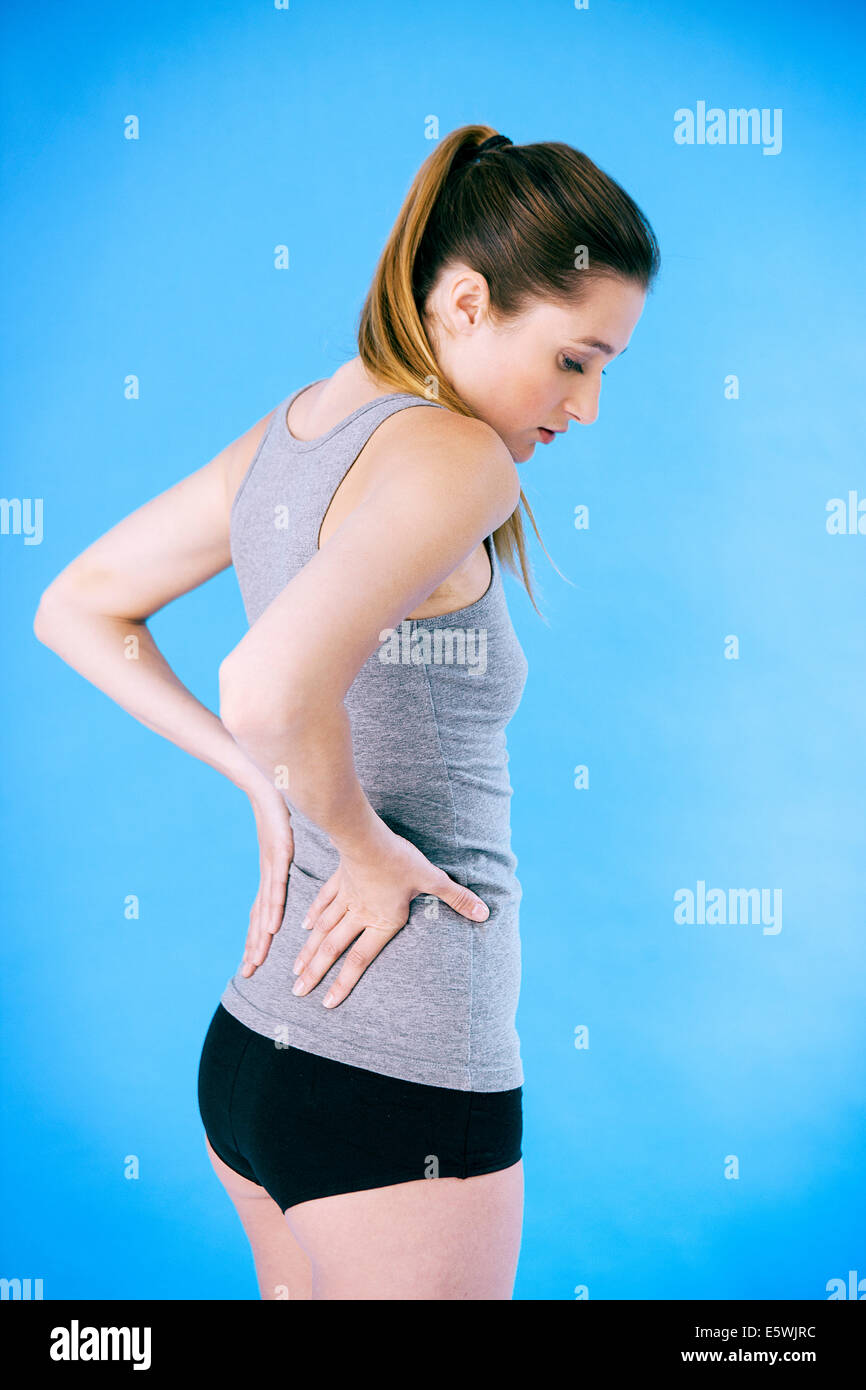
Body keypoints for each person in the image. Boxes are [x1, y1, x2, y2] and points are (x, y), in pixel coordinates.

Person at [33, 124, 659, 1300]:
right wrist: (357, 840)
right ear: (465, 300)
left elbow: (77, 606)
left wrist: (261, 781)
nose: (585, 408)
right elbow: (264, 686)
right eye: (575, 359)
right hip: (401, 1078)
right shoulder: (462, 459)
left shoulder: (290, 436)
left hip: (254, 1055)